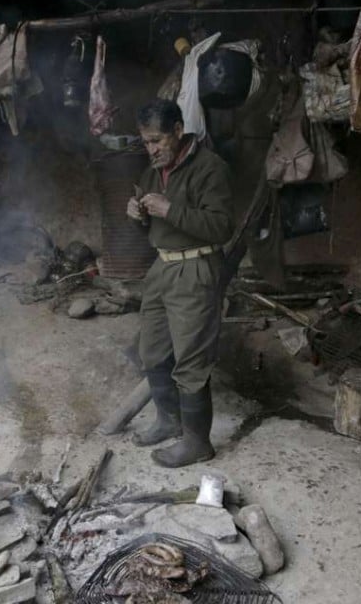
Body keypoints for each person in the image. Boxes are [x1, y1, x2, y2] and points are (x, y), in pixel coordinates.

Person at [126, 99, 233, 468]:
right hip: (162, 268)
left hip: (196, 267)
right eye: (145, 142)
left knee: (190, 360)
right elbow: (150, 224)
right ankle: (169, 422)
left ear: (177, 130)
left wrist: (169, 209)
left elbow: (221, 227)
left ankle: (197, 442)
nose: (152, 149)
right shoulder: (153, 172)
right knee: (152, 351)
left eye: (157, 140)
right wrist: (137, 214)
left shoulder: (210, 168)